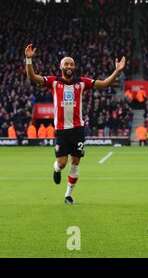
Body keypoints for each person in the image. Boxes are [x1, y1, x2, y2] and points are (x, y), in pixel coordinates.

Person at [24, 44, 126, 204]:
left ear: (74, 66)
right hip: (61, 131)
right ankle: (56, 169)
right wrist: (28, 59)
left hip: (78, 130)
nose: (69, 66)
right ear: (61, 66)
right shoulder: (53, 82)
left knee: (76, 162)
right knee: (62, 163)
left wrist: (117, 71)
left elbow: (105, 83)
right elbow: (32, 77)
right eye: (66, 64)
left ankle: (68, 195)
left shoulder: (82, 82)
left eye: (71, 64)